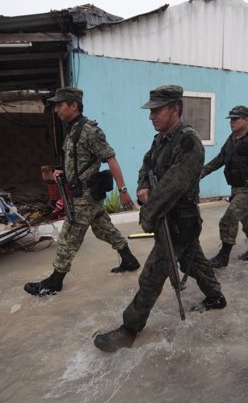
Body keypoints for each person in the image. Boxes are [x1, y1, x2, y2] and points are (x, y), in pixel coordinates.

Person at [94, 85, 226, 352]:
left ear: (174, 109)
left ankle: (129, 328)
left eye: (156, 110)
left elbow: (173, 187)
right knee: (194, 261)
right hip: (169, 218)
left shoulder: (188, 142)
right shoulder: (161, 140)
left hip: (180, 222)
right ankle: (216, 296)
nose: (151, 116)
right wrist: (143, 186)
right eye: (150, 111)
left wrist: (147, 212)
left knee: (152, 275)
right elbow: (146, 165)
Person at [24, 87, 140, 296]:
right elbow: (78, 162)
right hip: (86, 194)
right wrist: (64, 171)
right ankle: (129, 260)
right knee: (104, 228)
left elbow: (110, 158)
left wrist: (123, 190)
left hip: (85, 197)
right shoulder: (72, 129)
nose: (56, 109)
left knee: (69, 237)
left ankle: (55, 281)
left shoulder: (88, 130)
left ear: (74, 105)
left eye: (60, 105)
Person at [200, 106, 248, 267]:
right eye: (231, 119)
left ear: (246, 120)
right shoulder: (232, 138)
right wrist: (201, 173)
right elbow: (220, 159)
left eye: (235, 119)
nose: (231, 122)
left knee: (229, 218)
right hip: (237, 186)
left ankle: (223, 256)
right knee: (247, 219)